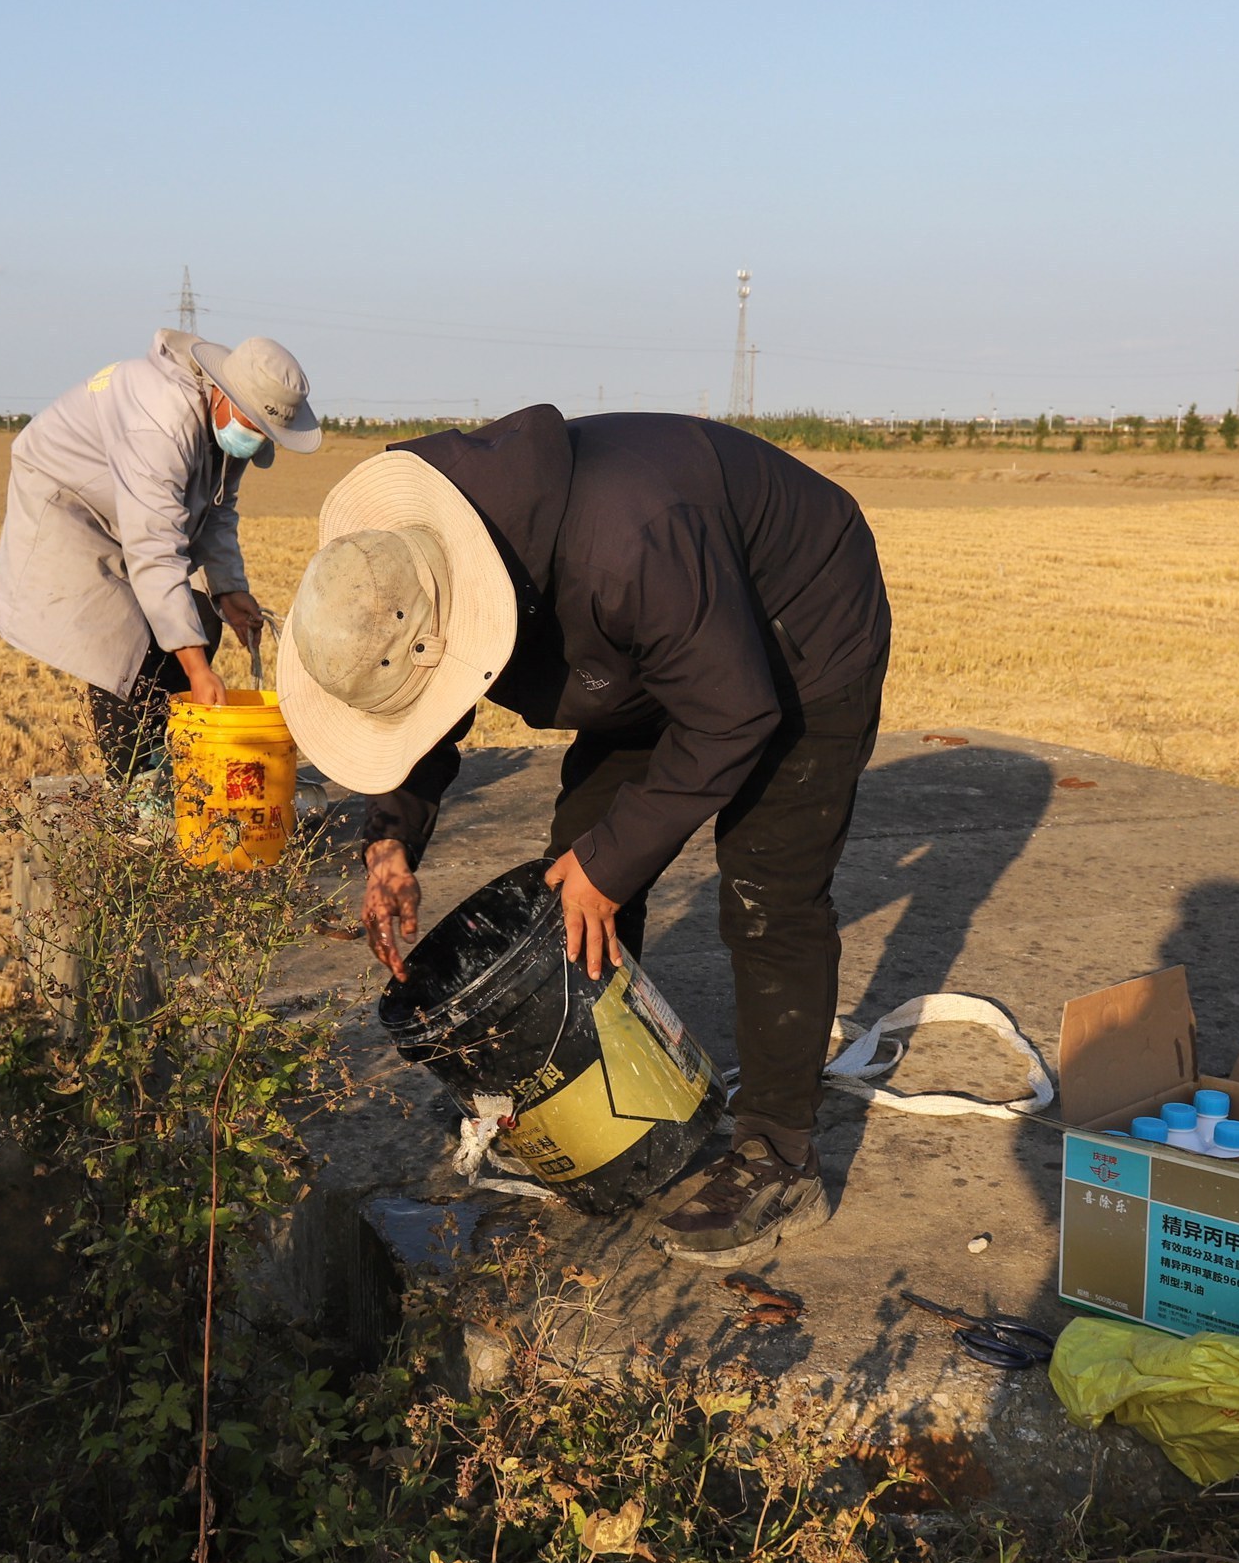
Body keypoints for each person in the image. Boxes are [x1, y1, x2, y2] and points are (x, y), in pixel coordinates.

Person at [272, 406, 891, 1265]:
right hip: (649, 645)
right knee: (571, 869)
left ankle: (781, 1152)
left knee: (766, 886)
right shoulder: (415, 560)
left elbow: (730, 712)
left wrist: (611, 863)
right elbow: (427, 708)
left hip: (798, 631)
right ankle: (593, 1080)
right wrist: (391, 838)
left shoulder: (626, 541)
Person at [0, 330, 321, 777]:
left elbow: (218, 512)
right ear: (223, 393)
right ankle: (131, 788)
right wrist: (198, 671)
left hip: (132, 506)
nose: (257, 439)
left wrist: (229, 589)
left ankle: (160, 753)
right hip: (70, 501)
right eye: (255, 426)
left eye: (267, 432)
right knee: (121, 640)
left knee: (203, 617)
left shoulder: (231, 425)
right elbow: (154, 547)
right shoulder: (160, 421)